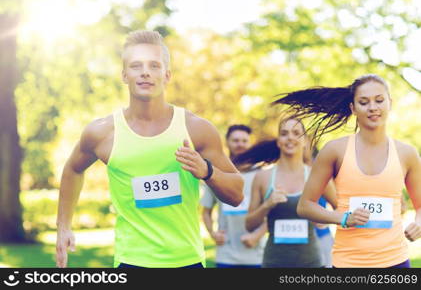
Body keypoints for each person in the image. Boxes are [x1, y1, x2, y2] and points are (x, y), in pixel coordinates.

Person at [55, 30, 244, 268]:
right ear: (124, 75)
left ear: (167, 75)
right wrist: (63, 226)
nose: (145, 72)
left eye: (154, 65)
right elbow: (73, 169)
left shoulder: (196, 129)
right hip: (130, 262)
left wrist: (207, 171)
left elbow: (237, 194)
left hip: (188, 261)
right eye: (136, 65)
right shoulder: (101, 133)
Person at [274, 74, 421, 268]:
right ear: (353, 108)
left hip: (396, 262)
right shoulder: (335, 150)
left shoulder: (407, 153)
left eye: (379, 100)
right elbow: (305, 206)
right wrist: (343, 218)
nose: (373, 107)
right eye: (363, 102)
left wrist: (419, 223)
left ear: (389, 103)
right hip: (348, 263)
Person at [236, 117, 336, 268]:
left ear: (304, 141)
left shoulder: (317, 176)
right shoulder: (263, 177)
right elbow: (249, 225)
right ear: (278, 141)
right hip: (273, 263)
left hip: (311, 264)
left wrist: (324, 218)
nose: (290, 137)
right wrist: (267, 205)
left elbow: (343, 212)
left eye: (296, 133)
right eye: (284, 133)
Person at [201, 125, 266, 268]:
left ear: (250, 143)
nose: (240, 144)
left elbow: (273, 211)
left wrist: (256, 236)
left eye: (244, 141)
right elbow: (205, 212)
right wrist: (213, 233)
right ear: (227, 142)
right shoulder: (216, 174)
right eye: (235, 140)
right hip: (226, 256)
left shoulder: (261, 174)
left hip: (255, 256)